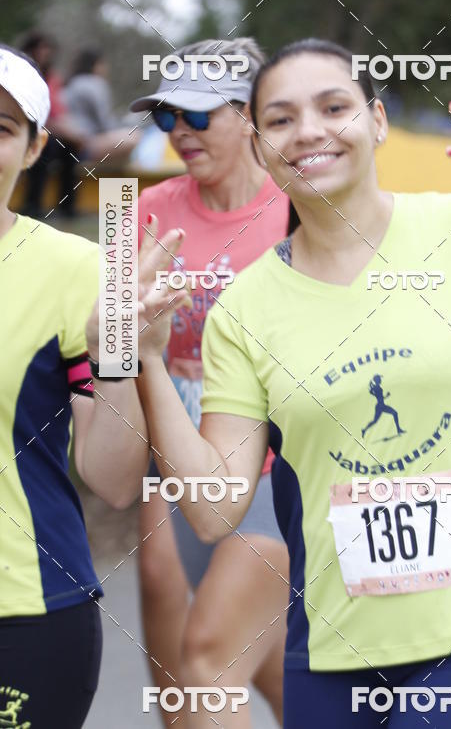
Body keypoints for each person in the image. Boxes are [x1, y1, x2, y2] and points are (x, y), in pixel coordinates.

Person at [135, 38, 451, 727]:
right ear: (261, 147)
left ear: (377, 120)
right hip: (330, 640)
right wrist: (144, 357)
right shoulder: (244, 309)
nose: (312, 131)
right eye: (284, 119)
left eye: (334, 107)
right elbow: (212, 509)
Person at [130, 38, 291, 727]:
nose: (180, 134)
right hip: (171, 459)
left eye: (198, 116)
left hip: (274, 465)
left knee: (207, 657)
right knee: (228, 675)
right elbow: (111, 352)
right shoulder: (141, 213)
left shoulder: (301, 209)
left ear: (250, 113)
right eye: (168, 118)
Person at [0, 43, 151, 728]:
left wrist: (115, 353)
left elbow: (115, 482)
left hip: (26, 617)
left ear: (33, 150)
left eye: (2, 128)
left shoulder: (81, 271)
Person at [19, 32, 86, 219]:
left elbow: (58, 111)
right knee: (44, 146)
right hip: (25, 128)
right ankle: (32, 205)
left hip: (49, 130)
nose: (44, 52)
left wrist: (75, 134)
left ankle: (68, 207)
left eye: (47, 48)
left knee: (69, 149)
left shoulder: (53, 79)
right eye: (39, 47)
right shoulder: (20, 74)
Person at [64, 47, 138, 161]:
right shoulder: (96, 84)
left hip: (67, 146)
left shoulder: (70, 83)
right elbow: (105, 124)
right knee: (134, 136)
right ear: (96, 64)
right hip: (85, 145)